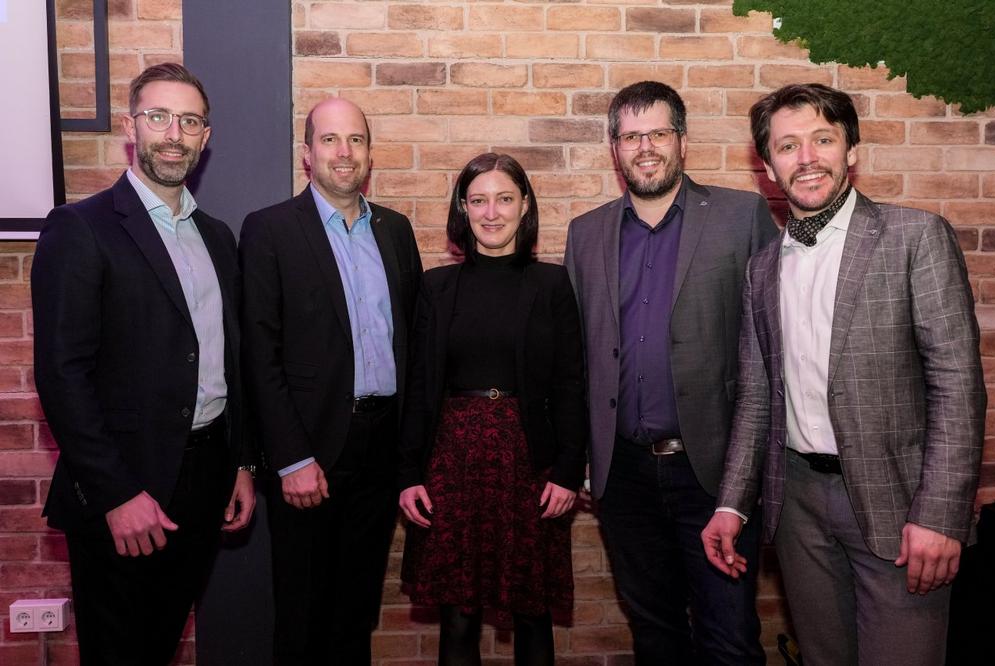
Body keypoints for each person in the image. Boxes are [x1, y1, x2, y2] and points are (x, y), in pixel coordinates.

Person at [702, 83, 986, 666]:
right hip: (797, 506)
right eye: (788, 146)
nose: (806, 158)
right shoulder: (762, 269)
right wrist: (732, 503)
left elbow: (957, 385)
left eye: (822, 140)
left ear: (850, 149)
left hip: (900, 507)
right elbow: (757, 399)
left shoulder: (914, 237)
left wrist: (940, 515)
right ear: (768, 166)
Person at [31, 63, 256, 666]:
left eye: (190, 121)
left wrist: (240, 463)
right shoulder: (81, 228)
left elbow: (229, 362)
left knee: (161, 642)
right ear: (131, 128)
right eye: (159, 117)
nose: (174, 134)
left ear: (206, 137)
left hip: (206, 476)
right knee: (120, 653)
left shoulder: (217, 237)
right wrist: (116, 494)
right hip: (127, 484)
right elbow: (61, 375)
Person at [563, 81, 777, 665]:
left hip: (714, 473)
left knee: (729, 639)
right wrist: (581, 458)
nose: (646, 147)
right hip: (623, 475)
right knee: (655, 634)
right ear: (615, 148)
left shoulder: (741, 217)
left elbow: (775, 343)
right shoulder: (586, 234)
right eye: (631, 136)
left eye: (658, 132)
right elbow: (576, 358)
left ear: (682, 140)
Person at [240, 97, 422, 664]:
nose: (344, 152)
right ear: (307, 153)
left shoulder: (395, 230)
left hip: (380, 448)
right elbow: (259, 354)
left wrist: (410, 454)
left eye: (356, 140)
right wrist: (290, 457)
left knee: (356, 611)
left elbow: (412, 342)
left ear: (369, 153)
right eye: (329, 139)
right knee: (303, 614)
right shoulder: (270, 230)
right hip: (310, 450)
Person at [398, 152, 587, 666]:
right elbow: (419, 387)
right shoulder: (436, 288)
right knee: (458, 615)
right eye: (478, 200)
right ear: (463, 208)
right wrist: (409, 474)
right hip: (452, 465)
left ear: (524, 206)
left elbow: (571, 383)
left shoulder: (551, 285)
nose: (491, 212)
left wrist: (568, 471)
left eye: (504, 199)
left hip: (530, 465)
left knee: (532, 611)